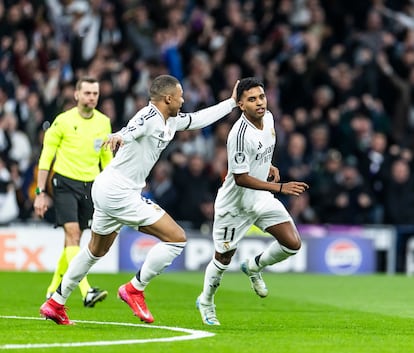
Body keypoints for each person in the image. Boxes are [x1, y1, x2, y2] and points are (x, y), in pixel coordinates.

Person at [39, 74, 239, 325]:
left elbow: (199, 119)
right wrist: (119, 136)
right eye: (180, 96)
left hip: (107, 187)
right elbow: (132, 129)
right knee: (177, 238)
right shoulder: (149, 116)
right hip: (118, 192)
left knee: (95, 250)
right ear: (168, 98)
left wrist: (231, 103)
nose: (183, 99)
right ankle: (135, 288)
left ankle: (56, 302)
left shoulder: (171, 121)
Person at [196, 77, 309, 326]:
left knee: (292, 244)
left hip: (259, 197)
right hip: (234, 205)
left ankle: (254, 266)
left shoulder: (268, 118)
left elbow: (260, 153)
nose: (259, 103)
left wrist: (268, 165)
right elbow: (240, 178)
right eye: (252, 99)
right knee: (223, 259)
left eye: (261, 97)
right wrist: (280, 187)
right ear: (240, 105)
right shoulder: (238, 135)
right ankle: (206, 301)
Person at [34, 77, 113, 307]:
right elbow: (46, 157)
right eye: (87, 93)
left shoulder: (104, 123)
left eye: (95, 93)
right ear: (76, 95)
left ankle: (52, 288)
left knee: (73, 240)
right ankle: (86, 291)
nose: (91, 97)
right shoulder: (63, 122)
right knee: (74, 235)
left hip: (90, 185)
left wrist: (112, 186)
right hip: (65, 182)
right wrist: (40, 192)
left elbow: (106, 159)